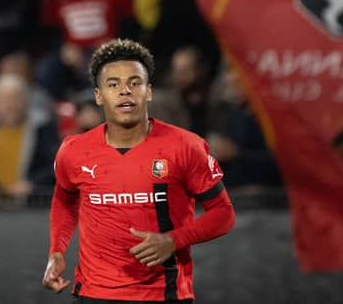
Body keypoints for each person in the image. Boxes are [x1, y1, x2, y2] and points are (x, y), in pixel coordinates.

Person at [42, 38, 235, 303]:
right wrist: (56, 251)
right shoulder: (73, 151)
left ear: (149, 91)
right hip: (93, 294)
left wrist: (173, 240)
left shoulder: (186, 147)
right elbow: (64, 200)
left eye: (134, 83)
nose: (125, 91)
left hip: (163, 295)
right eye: (113, 84)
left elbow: (223, 214)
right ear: (99, 95)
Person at [0, 73, 60, 202]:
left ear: (25, 101)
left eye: (15, 98)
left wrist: (32, 184)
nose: (10, 105)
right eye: (4, 99)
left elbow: (55, 165)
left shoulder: (42, 128)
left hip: (31, 206)